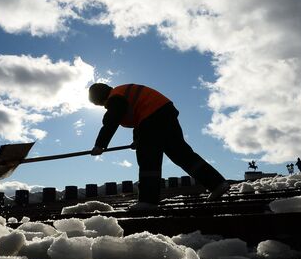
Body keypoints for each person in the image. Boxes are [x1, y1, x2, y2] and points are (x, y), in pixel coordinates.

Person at [88, 82, 230, 210]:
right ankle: (216, 184)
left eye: (99, 104)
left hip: (152, 117)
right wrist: (138, 139)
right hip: (165, 112)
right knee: (181, 153)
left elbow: (111, 122)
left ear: (100, 98)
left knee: (148, 158)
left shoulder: (115, 98)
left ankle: (148, 201)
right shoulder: (122, 93)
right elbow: (139, 118)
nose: (102, 107)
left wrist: (100, 145)